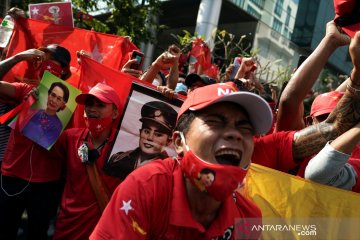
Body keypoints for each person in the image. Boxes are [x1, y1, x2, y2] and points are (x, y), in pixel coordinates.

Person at [90, 82, 273, 239]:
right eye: (215, 122)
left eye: (245, 128)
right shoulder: (145, 188)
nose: (235, 134)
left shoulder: (248, 218)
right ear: (178, 142)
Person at [0, 44, 71, 240]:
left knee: (37, 234)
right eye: (41, 57)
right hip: (12, 177)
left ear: (63, 70)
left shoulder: (71, 104)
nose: (44, 61)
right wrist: (18, 58)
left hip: (46, 184)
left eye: (51, 58)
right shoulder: (25, 90)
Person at [52, 83, 124, 240]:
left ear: (115, 113)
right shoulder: (69, 138)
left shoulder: (125, 147)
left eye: (100, 105)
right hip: (67, 227)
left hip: (102, 231)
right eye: (89, 104)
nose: (92, 109)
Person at [104, 101, 177, 180]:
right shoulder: (117, 158)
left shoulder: (170, 172)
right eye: (146, 131)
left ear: (169, 141)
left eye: (158, 134)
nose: (149, 138)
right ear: (140, 132)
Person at [21, 82, 69, 149]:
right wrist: (26, 103)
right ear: (48, 94)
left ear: (62, 104)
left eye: (59, 99)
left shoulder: (58, 125)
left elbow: (44, 145)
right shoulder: (33, 111)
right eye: (53, 95)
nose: (54, 100)